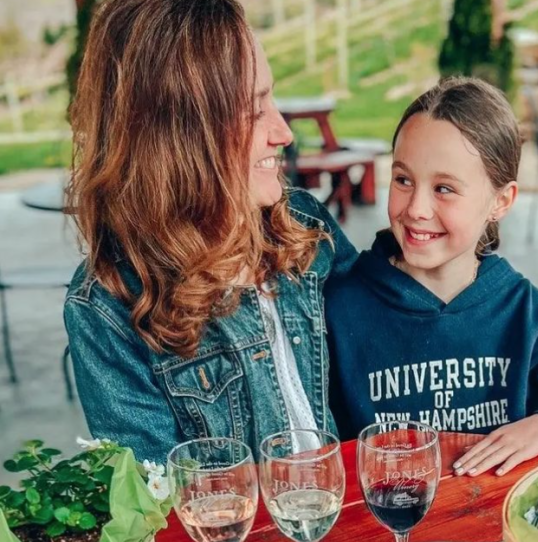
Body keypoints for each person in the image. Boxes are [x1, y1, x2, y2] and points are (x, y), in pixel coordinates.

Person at [64, 0, 357, 463]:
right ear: (178, 135)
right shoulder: (109, 306)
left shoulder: (305, 225)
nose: (283, 133)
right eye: (251, 110)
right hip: (243, 538)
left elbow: (398, 352)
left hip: (357, 523)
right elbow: (160, 508)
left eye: (271, 99)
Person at [325, 77, 538, 477]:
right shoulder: (336, 308)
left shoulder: (530, 316)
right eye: (403, 180)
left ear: (501, 201)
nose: (416, 208)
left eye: (444, 188)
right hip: (378, 532)